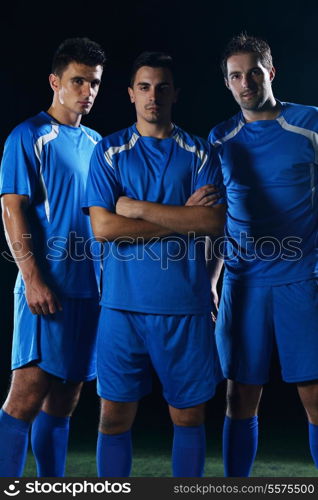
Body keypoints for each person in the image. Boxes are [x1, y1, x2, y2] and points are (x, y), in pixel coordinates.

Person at [84, 51, 226, 477]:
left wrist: (138, 208)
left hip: (184, 305)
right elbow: (105, 229)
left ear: (175, 94)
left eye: (162, 87)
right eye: (144, 87)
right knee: (113, 418)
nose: (153, 96)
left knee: (188, 417)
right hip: (122, 307)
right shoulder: (109, 151)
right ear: (130, 94)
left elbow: (213, 222)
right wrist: (180, 218)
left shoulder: (200, 152)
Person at [208, 33, 318, 477]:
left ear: (270, 73)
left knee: (313, 395)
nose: (245, 82)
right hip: (243, 283)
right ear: (228, 84)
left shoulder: (309, 124)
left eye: (253, 72)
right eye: (236, 76)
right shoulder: (220, 138)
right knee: (239, 397)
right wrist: (210, 279)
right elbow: (220, 216)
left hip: (301, 278)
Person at [0, 37, 105, 477]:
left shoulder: (98, 142)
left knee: (66, 399)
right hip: (47, 287)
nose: (87, 91)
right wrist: (34, 279)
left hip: (91, 291)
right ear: (55, 82)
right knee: (26, 395)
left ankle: (51, 486)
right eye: (78, 81)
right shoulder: (29, 135)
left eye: (94, 83)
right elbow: (11, 208)